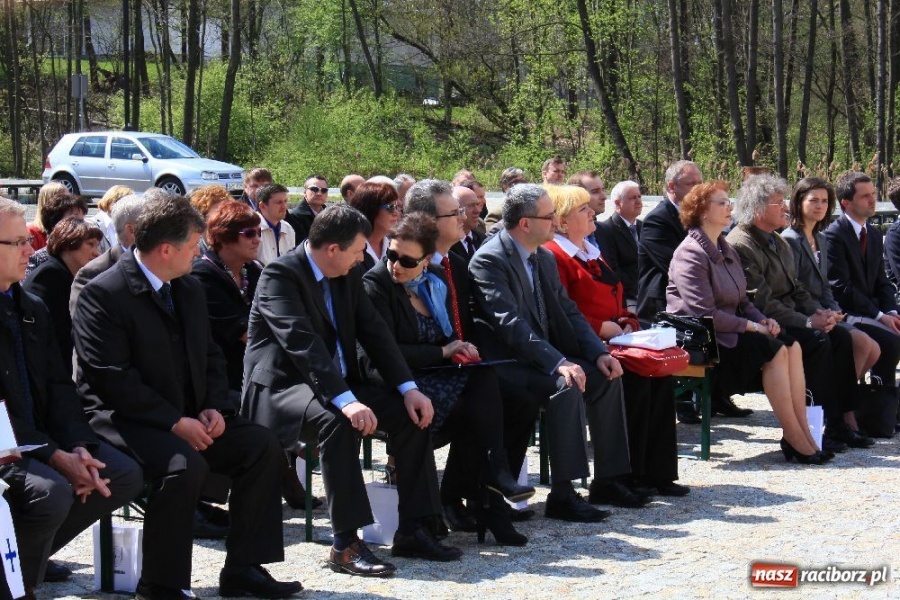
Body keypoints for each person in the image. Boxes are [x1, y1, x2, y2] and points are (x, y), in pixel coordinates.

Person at [73, 195, 301, 599]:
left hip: (190, 413)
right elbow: (112, 380)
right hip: (126, 420)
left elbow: (210, 355)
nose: (198, 252)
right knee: (183, 466)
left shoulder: (188, 287)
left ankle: (244, 568)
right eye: (193, 245)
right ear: (166, 249)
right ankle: (161, 585)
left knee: (260, 445)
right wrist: (175, 422)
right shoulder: (103, 294)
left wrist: (215, 405)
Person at [241, 204, 462, 578]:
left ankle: (415, 527)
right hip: (284, 388)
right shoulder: (280, 275)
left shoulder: (347, 272)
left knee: (413, 416)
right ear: (332, 249)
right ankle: (345, 544)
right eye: (360, 249)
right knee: (337, 423)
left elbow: (375, 332)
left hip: (337, 384)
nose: (365, 257)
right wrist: (347, 402)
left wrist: (408, 388)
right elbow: (303, 345)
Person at [0, 196, 142, 599]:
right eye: (16, 243)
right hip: (5, 445)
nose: (31, 249)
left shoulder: (31, 306)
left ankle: (24, 566)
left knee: (120, 473)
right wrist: (55, 456)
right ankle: (17, 582)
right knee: (50, 492)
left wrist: (78, 447)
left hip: (40, 439)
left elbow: (61, 386)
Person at [362, 213, 534, 545]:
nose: (395, 265)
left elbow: (448, 335)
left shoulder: (436, 279)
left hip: (437, 374)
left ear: (426, 260)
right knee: (480, 397)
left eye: (407, 260)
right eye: (391, 255)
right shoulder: (376, 286)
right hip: (401, 379)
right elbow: (385, 353)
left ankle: (487, 489)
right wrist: (444, 353)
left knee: (517, 400)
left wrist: (458, 348)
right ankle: (490, 492)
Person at [469, 183, 637, 521]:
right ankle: (563, 491)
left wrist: (598, 353)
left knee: (606, 376)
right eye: (548, 217)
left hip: (544, 356)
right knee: (567, 385)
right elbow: (510, 325)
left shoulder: (542, 256)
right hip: (508, 361)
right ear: (525, 224)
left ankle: (608, 479)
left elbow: (569, 311)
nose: (555, 222)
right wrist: (559, 363)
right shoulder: (490, 260)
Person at [666, 181, 829, 464]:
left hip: (732, 332)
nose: (730, 207)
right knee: (775, 349)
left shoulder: (724, 248)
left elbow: (744, 302)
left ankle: (802, 432)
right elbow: (705, 313)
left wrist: (762, 318)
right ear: (703, 212)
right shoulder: (690, 253)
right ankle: (794, 437)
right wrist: (753, 327)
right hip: (706, 340)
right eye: (721, 203)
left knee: (792, 346)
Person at [543, 185, 686, 497]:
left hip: (616, 339)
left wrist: (627, 320)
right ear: (564, 220)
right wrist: (602, 329)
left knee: (658, 373)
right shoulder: (556, 256)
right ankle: (626, 475)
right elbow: (563, 311)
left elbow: (618, 298)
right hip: (582, 345)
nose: (592, 211)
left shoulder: (591, 252)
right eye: (583, 209)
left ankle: (656, 472)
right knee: (631, 375)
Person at [726, 174, 871, 452]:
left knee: (840, 336)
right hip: (764, 323)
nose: (785, 208)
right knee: (817, 341)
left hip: (790, 316)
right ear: (758, 209)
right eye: (778, 203)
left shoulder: (777, 241)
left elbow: (797, 289)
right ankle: (812, 429)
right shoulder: (741, 244)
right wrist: (807, 321)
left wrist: (821, 313)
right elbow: (764, 303)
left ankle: (839, 424)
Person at [782, 177, 881, 405]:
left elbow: (825, 285)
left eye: (825, 201)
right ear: (798, 203)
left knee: (872, 349)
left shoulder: (820, 238)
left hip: (824, 312)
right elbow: (795, 287)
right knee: (862, 343)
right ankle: (836, 409)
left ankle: (840, 406)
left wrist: (835, 311)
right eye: (813, 200)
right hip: (803, 315)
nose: (820, 206)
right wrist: (821, 313)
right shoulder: (790, 240)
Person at [825, 171, 900, 391]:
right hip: (847, 312)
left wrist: (892, 313)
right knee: (891, 340)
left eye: (873, 194)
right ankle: (878, 405)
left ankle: (885, 408)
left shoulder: (874, 234)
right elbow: (841, 287)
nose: (872, 199)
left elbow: (882, 281)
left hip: (872, 310)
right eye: (864, 196)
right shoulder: (834, 235)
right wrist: (880, 316)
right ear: (846, 203)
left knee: (894, 331)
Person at [192, 202, 262, 392]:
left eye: (259, 232)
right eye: (249, 233)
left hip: (255, 370)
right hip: (223, 382)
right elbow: (244, 333)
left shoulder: (253, 269)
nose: (257, 240)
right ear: (223, 237)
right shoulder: (201, 275)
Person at [24, 217, 102, 366]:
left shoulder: (65, 274)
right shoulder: (49, 276)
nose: (97, 253)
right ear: (68, 244)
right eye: (90, 244)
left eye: (97, 246)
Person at [637, 160, 702, 321]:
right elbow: (678, 266)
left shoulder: (699, 216)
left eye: (700, 183)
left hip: (694, 300)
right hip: (663, 308)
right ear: (671, 187)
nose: (699, 190)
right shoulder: (656, 221)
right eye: (691, 184)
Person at [594, 180, 643, 311]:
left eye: (639, 196)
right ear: (617, 203)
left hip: (646, 296)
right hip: (626, 299)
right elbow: (613, 269)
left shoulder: (643, 227)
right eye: (633, 198)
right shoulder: (607, 229)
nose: (638, 201)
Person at [25, 193, 90, 276]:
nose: (82, 226)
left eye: (82, 221)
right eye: (75, 221)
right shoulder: (36, 260)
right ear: (55, 225)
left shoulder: (88, 257)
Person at [348, 181, 401, 271]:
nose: (396, 213)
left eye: (396, 207)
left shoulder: (396, 244)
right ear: (371, 209)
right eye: (390, 207)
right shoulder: (349, 247)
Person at [256, 183, 296, 265]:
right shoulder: (251, 228)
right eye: (279, 202)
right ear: (262, 206)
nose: (284, 206)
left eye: (285, 201)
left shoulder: (288, 228)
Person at [568, 170, 607, 248]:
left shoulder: (604, 231)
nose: (604, 197)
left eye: (603, 190)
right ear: (577, 196)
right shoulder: (567, 238)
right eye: (595, 192)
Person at [286, 174, 329, 244]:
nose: (319, 193)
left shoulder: (332, 216)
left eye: (324, 190)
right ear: (304, 192)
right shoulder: (293, 217)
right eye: (314, 189)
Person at [27, 182, 70, 250]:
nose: (69, 203)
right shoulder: (32, 232)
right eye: (63, 200)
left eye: (69, 199)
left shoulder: (70, 231)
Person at [92, 185, 133, 250]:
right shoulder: (93, 225)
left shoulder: (126, 226)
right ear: (112, 202)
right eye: (126, 204)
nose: (129, 210)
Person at [449, 185, 485, 262]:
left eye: (477, 204)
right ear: (455, 209)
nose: (477, 210)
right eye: (471, 205)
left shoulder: (483, 241)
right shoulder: (447, 246)